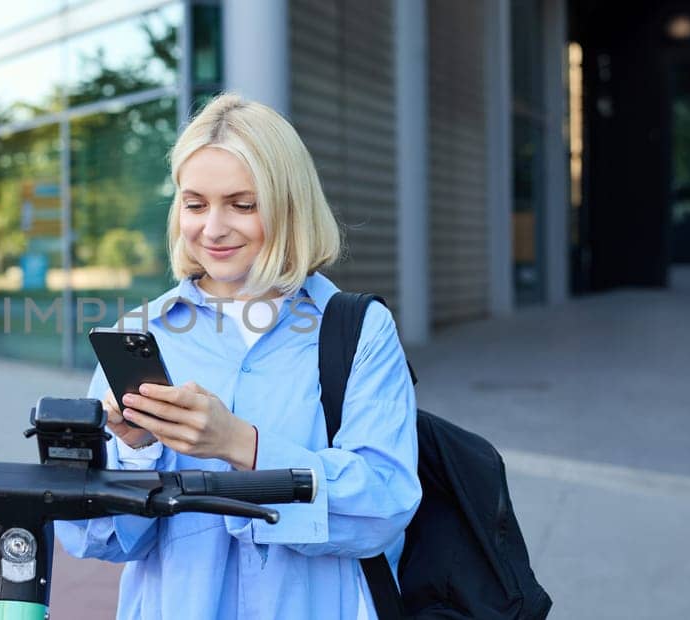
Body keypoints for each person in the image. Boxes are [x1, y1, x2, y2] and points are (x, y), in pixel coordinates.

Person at [56, 93, 420, 619]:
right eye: (195, 204)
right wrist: (135, 451)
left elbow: (384, 505)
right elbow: (100, 541)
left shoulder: (358, 329)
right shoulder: (138, 333)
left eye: (242, 205)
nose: (213, 228)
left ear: (289, 206)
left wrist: (240, 445)